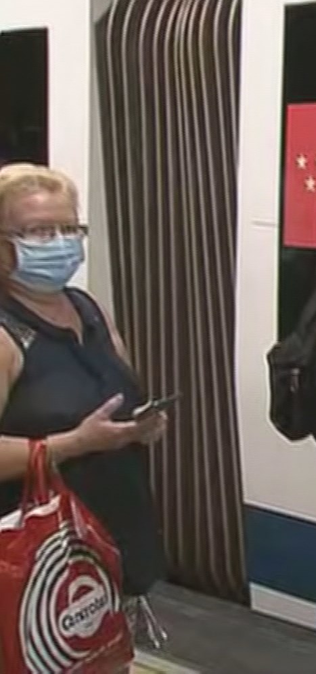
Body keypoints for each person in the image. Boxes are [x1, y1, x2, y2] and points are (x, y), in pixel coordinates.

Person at [0, 164, 169, 641]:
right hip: (35, 567)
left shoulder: (88, 309)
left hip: (110, 546)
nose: (58, 241)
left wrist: (141, 426)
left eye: (69, 228)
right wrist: (74, 443)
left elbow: (122, 399)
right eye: (38, 231)